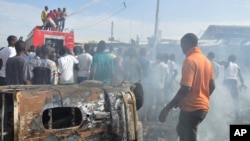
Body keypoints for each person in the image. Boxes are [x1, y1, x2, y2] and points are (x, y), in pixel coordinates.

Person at [159, 33, 215, 141]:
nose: (181, 48)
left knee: (187, 137)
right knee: (181, 130)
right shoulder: (207, 61)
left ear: (187, 44)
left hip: (192, 108)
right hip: (203, 108)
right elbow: (212, 86)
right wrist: (202, 97)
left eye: (182, 45)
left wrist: (167, 108)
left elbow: (185, 88)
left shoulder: (190, 60)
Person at [219, 54, 247, 120]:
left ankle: (220, 114)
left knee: (222, 99)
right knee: (236, 100)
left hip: (226, 82)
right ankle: (237, 117)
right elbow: (241, 77)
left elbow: (217, 63)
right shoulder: (237, 66)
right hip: (235, 83)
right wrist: (243, 84)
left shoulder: (227, 62)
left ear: (229, 59)